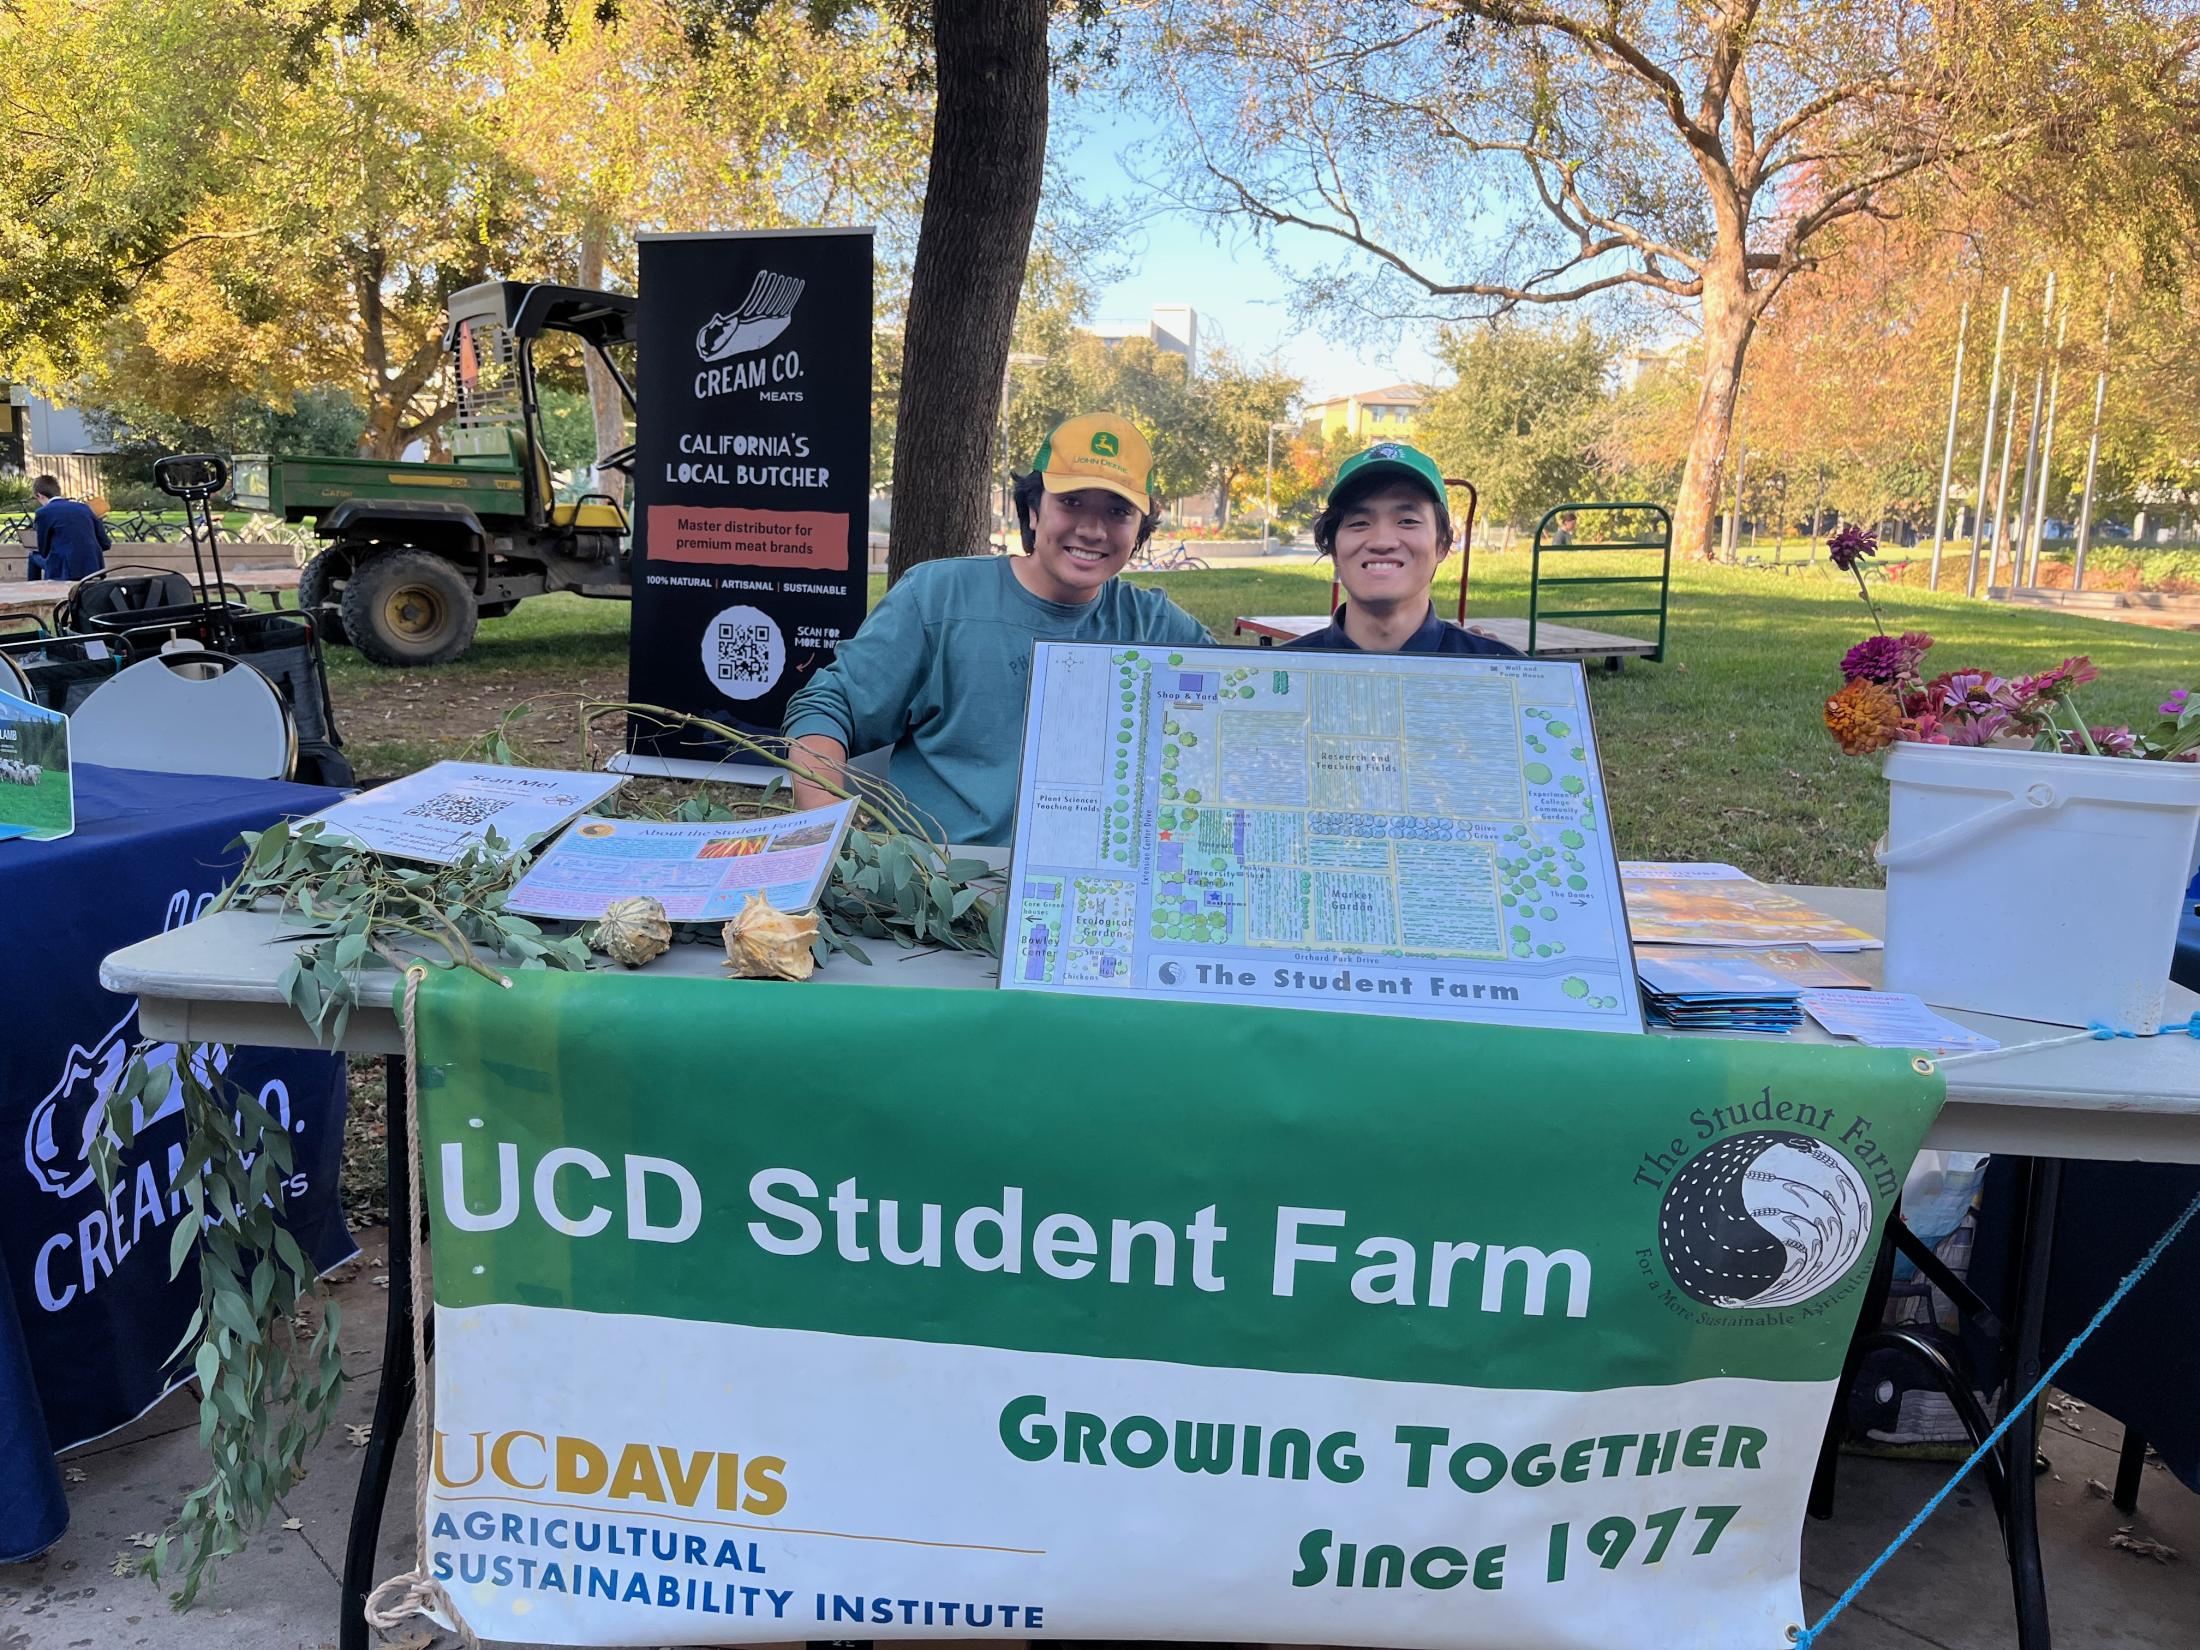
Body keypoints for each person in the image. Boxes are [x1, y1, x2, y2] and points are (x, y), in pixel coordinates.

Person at [785, 413, 1208, 845]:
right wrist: (823, 833)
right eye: (1072, 501)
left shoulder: (1155, 626)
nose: (1092, 529)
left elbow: (1237, 714)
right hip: (933, 884)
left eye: (1118, 511)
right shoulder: (938, 598)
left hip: (1090, 891)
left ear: (1139, 531)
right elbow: (827, 706)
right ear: (1032, 509)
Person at [1284, 442, 1523, 656]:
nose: (1382, 541)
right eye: (1359, 523)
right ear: (1334, 549)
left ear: (1442, 544)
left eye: (1407, 521)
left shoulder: (1500, 673)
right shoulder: (1282, 674)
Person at [26, 475, 110, 582]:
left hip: (65, 570)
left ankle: (34, 592)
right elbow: (105, 543)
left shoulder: (43, 512)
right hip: (93, 567)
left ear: (40, 495)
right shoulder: (84, 508)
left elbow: (44, 550)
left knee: (33, 556)